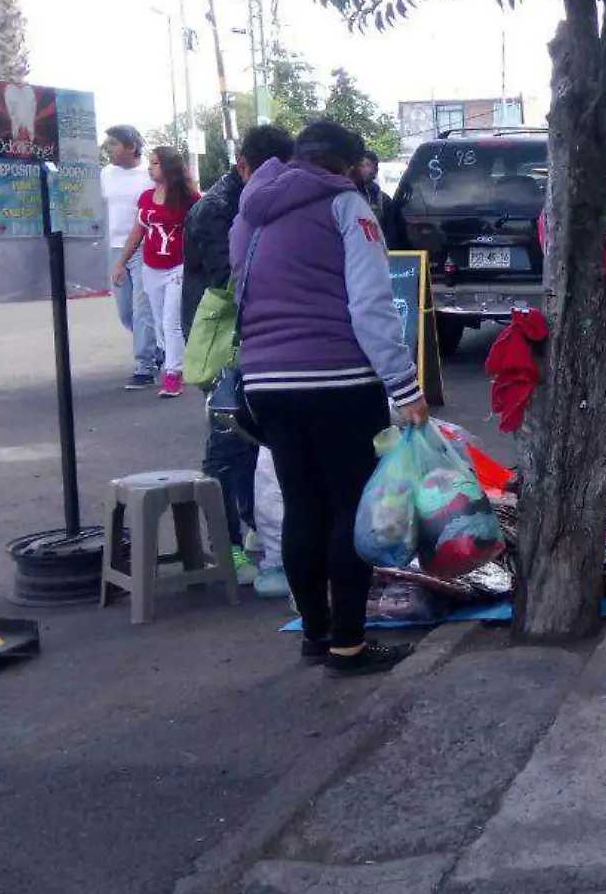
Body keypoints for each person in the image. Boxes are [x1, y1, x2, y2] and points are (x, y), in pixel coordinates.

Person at [231, 120, 426, 677]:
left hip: (266, 382)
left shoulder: (250, 211)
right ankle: (348, 643)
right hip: (339, 378)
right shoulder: (348, 207)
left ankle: (314, 634)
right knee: (348, 508)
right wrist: (404, 386)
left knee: (303, 505)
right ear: (343, 164)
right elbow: (370, 306)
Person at [182, 123, 296, 593]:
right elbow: (230, 281)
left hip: (258, 336)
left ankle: (254, 524)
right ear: (243, 166)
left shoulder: (265, 202)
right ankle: (223, 539)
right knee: (227, 441)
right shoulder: (216, 209)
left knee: (258, 439)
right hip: (220, 339)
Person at [112, 147, 199, 398]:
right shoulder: (146, 198)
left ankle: (174, 373)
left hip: (178, 267)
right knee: (160, 322)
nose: (150, 168)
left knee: (171, 321)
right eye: (150, 163)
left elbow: (201, 228)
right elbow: (137, 233)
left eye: (156, 163)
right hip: (152, 267)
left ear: (169, 167)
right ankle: (173, 360)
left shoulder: (189, 199)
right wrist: (121, 262)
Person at [102, 125, 162, 389]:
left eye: (114, 143)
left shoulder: (149, 175)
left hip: (143, 246)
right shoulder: (105, 174)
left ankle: (145, 365)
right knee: (125, 311)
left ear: (131, 147)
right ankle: (157, 349)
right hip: (114, 247)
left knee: (142, 309)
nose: (108, 149)